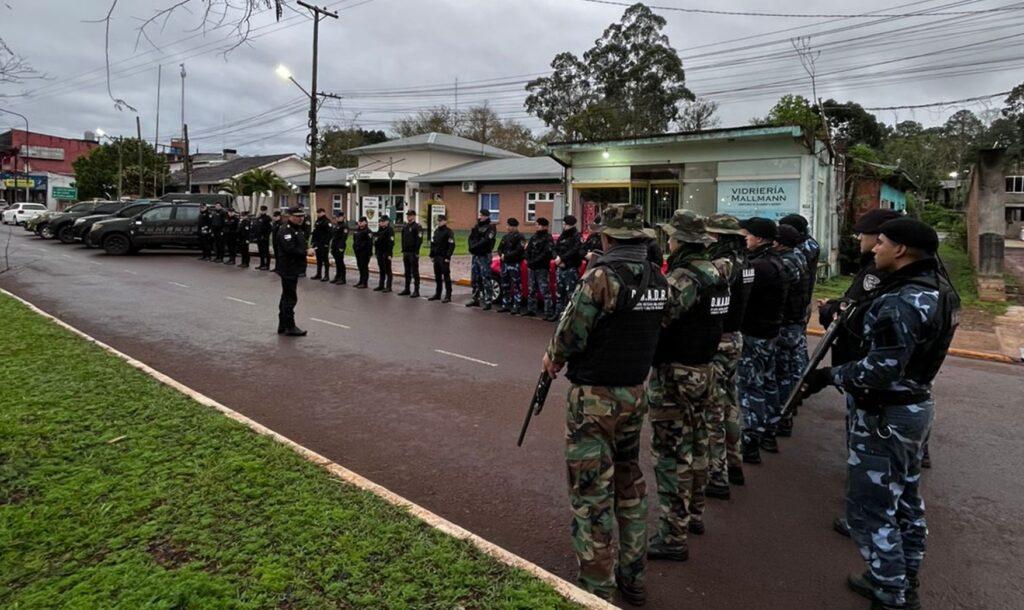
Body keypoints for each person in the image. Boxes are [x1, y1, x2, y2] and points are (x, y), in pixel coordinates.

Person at [801, 218, 959, 610]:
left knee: (870, 507)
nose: (874, 248)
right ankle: (904, 576)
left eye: (882, 242)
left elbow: (880, 370)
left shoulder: (903, 300)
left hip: (885, 415)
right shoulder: (939, 289)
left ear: (901, 250)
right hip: (913, 408)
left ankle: (891, 591)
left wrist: (828, 376)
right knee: (905, 500)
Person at [540, 204, 668, 606]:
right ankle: (634, 576)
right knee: (629, 483)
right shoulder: (657, 277)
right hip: (634, 392)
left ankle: (597, 586)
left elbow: (571, 332)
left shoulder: (601, 276)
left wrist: (553, 358)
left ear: (607, 237)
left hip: (595, 397)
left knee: (591, 491)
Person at [647, 210, 729, 558]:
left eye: (671, 237)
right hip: (704, 370)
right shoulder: (716, 272)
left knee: (671, 454)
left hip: (676, 373)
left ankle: (672, 534)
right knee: (697, 446)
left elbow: (660, 319)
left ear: (678, 240)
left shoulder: (683, 278)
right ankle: (694, 514)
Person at [819, 208, 902, 539]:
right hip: (880, 382)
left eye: (873, 238)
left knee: (870, 455)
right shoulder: (894, 275)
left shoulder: (882, 277)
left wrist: (833, 309)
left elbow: (855, 315)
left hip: (871, 382)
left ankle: (866, 520)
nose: (864, 241)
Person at [704, 213, 753, 497]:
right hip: (734, 337)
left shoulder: (722, 265)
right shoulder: (744, 261)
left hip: (719, 340)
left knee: (713, 408)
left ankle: (717, 475)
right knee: (730, 404)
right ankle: (735, 463)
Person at [737, 217, 787, 464]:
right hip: (769, 331)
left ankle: (751, 439)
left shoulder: (758, 266)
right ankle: (769, 431)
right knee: (767, 382)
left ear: (758, 238)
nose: (744, 240)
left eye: (746, 236)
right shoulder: (776, 262)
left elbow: (740, 293)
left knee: (750, 386)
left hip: (755, 332)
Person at [772, 224, 809, 437]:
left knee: (781, 372)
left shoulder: (787, 262)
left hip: (786, 323)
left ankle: (783, 416)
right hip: (793, 321)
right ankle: (787, 411)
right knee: (787, 369)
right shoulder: (797, 256)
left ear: (780, 242)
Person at [275, 207, 314, 336]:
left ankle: (283, 324)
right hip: (288, 268)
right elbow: (290, 249)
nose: (301, 218)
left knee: (286, 296)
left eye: (302, 216)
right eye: (298, 216)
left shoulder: (297, 229)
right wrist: (306, 252)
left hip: (293, 267)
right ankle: (290, 326)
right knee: (290, 298)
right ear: (290, 216)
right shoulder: (286, 230)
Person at [552, 214, 584, 321]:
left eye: (565, 224)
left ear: (570, 225)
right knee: (559, 293)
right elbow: (555, 248)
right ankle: (557, 314)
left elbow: (575, 251)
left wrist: (562, 259)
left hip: (571, 268)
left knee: (571, 294)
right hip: (561, 268)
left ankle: (570, 318)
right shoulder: (563, 235)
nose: (563, 226)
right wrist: (557, 258)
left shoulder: (576, 236)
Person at [466, 208, 497, 310]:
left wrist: (475, 246)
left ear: (487, 216)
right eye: (480, 215)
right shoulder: (477, 226)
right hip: (476, 255)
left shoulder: (491, 227)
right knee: (475, 278)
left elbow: (486, 240)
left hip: (484, 255)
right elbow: (471, 238)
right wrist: (471, 247)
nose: (480, 217)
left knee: (486, 278)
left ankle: (488, 300)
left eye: (482, 215)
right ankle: (475, 298)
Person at [524, 217, 554, 318]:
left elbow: (546, 253)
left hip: (542, 268)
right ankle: (531, 309)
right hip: (532, 267)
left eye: (538, 224)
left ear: (543, 226)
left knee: (544, 290)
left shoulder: (548, 238)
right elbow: (527, 250)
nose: (536, 226)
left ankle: (548, 312)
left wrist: (533, 261)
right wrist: (528, 260)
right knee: (531, 289)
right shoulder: (534, 237)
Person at [496, 217, 526, 313]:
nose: (507, 227)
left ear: (514, 227)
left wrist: (506, 256)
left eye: (509, 226)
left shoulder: (520, 237)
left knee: (516, 286)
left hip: (514, 264)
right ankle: (506, 305)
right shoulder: (505, 237)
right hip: (505, 264)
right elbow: (499, 248)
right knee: (505, 285)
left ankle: (517, 306)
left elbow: (519, 251)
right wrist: (501, 255)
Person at [428, 214, 455, 302]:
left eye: (441, 221)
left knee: (446, 276)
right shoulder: (436, 231)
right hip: (436, 257)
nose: (439, 222)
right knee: (437, 277)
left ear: (445, 221)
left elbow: (451, 245)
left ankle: (448, 295)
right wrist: (432, 255)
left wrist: (448, 257)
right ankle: (438, 294)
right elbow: (433, 244)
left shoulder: (448, 232)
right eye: (438, 221)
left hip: (444, 257)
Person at [399, 209, 424, 297]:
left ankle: (416, 290)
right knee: (407, 272)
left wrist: (416, 251)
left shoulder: (417, 226)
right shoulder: (405, 226)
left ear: (414, 216)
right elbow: (403, 239)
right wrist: (403, 250)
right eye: (408, 215)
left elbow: (419, 240)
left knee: (415, 272)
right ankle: (407, 289)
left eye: (410, 215)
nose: (408, 217)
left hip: (413, 253)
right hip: (406, 252)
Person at [374, 215, 395, 292]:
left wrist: (389, 254)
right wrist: (376, 252)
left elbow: (391, 243)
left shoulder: (390, 230)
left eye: (383, 221)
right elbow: (376, 242)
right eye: (380, 221)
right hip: (379, 252)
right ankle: (381, 285)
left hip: (386, 252)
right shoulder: (379, 230)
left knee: (388, 270)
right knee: (381, 269)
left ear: (387, 222)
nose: (381, 223)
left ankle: (388, 286)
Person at [310, 208, 332, 282]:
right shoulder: (317, 221)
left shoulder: (327, 221)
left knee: (325, 260)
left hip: (324, 244)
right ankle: (318, 274)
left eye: (319, 212)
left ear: (323, 212)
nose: (318, 214)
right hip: (317, 243)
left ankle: (326, 275)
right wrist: (312, 243)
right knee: (318, 259)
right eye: (317, 213)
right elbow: (314, 232)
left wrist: (326, 243)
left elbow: (330, 234)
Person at [352, 217, 373, 289]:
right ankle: (360, 281)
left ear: (365, 222)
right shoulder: (356, 230)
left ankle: (364, 283)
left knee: (364, 267)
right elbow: (354, 240)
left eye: (362, 221)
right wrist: (354, 247)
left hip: (365, 252)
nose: (360, 223)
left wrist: (369, 253)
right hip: (358, 252)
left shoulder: (368, 231)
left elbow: (370, 243)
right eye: (359, 221)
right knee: (360, 267)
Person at [329, 210, 348, 285]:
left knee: (340, 262)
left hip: (340, 246)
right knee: (337, 262)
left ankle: (343, 278)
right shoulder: (336, 225)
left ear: (343, 217)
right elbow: (333, 236)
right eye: (337, 217)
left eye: (339, 217)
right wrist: (332, 247)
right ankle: (337, 276)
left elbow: (344, 238)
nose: (337, 218)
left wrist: (341, 247)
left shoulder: (344, 226)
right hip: (335, 246)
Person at [255, 205, 273, 270]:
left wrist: (266, 236)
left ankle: (267, 265)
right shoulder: (258, 218)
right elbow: (257, 227)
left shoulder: (268, 218)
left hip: (265, 238)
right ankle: (262, 264)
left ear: (266, 211)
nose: (262, 211)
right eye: (261, 210)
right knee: (261, 252)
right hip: (259, 237)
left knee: (266, 252)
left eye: (264, 210)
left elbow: (270, 228)